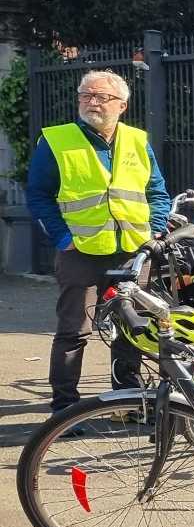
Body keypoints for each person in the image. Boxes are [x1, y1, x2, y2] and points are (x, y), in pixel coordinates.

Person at [27, 70, 171, 414]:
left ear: (122, 105)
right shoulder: (57, 140)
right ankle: (65, 409)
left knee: (131, 329)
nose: (92, 102)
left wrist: (155, 229)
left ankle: (128, 402)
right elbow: (38, 194)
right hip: (81, 252)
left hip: (133, 251)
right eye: (86, 95)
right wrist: (63, 238)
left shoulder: (137, 140)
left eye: (101, 97)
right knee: (74, 331)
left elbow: (157, 191)